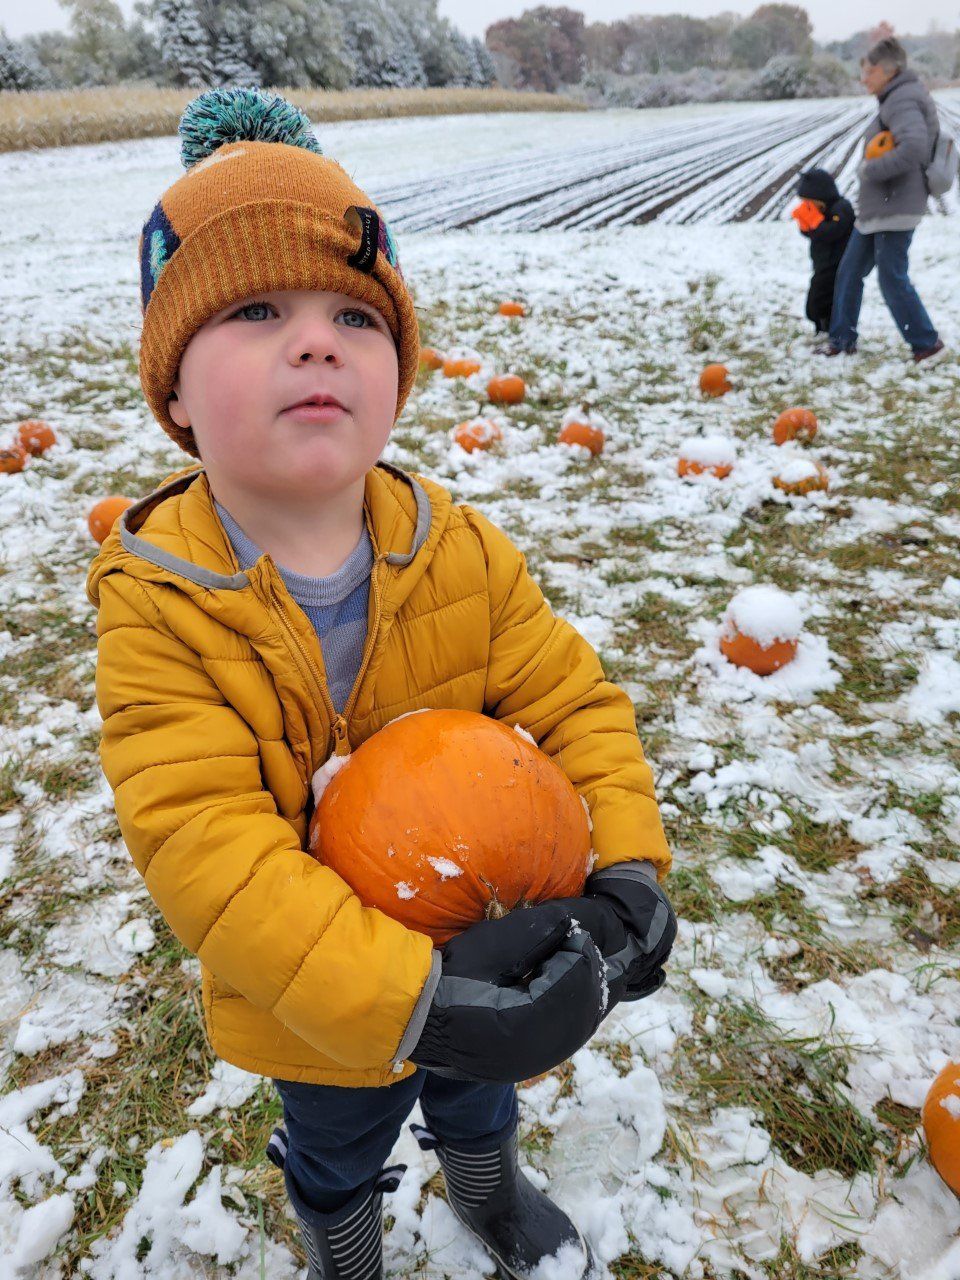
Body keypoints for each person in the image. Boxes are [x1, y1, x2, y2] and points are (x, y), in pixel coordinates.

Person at [85, 88, 676, 1280]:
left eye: (355, 314)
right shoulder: (159, 606)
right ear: (176, 395)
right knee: (338, 1143)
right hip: (326, 1001)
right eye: (257, 309)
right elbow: (206, 846)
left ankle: (489, 1185)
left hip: (498, 933)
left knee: (479, 1098)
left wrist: (628, 868)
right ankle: (347, 1252)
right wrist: (404, 999)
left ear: (397, 369)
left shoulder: (454, 543)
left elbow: (574, 703)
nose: (316, 341)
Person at [818, 35, 945, 364]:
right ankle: (841, 339)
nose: (864, 79)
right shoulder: (896, 96)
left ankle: (926, 343)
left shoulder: (901, 100)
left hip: (895, 205)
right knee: (849, 271)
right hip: (882, 208)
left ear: (889, 70)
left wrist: (869, 169)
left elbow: (914, 147)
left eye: (869, 71)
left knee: (891, 276)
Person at [793, 168, 854, 336]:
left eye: (809, 202)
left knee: (823, 301)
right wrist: (805, 225)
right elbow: (815, 234)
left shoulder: (841, 208)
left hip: (836, 265)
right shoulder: (821, 211)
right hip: (822, 264)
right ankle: (821, 327)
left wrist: (814, 223)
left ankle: (829, 329)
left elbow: (832, 232)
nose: (807, 206)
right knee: (815, 301)